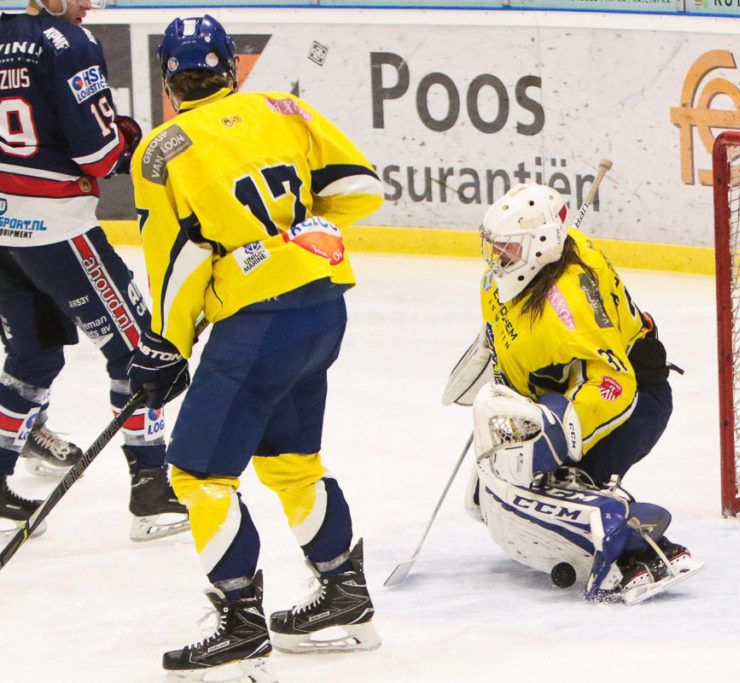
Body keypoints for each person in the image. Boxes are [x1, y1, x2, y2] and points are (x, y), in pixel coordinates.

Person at [128, 15, 384, 681]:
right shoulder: (285, 106)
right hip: (323, 308)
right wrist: (303, 230)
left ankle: (241, 626)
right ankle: (346, 600)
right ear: (232, 66)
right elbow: (362, 187)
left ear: (167, 78)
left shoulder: (162, 148)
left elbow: (178, 262)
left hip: (258, 326)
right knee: (292, 461)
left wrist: (165, 343)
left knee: (198, 475)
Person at [445, 181, 705, 604]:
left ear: (540, 245)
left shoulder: (567, 307)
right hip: (566, 388)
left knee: (559, 484)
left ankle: (642, 550)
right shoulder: (514, 274)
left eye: (507, 247)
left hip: (630, 402)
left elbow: (614, 383)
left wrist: (554, 435)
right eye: (494, 244)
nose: (496, 255)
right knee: (503, 485)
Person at [0, 0, 187, 541]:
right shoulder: (68, 43)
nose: (87, 4)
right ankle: (152, 495)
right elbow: (100, 155)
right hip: (56, 229)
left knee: (31, 356)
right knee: (138, 352)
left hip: (3, 236)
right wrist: (126, 141)